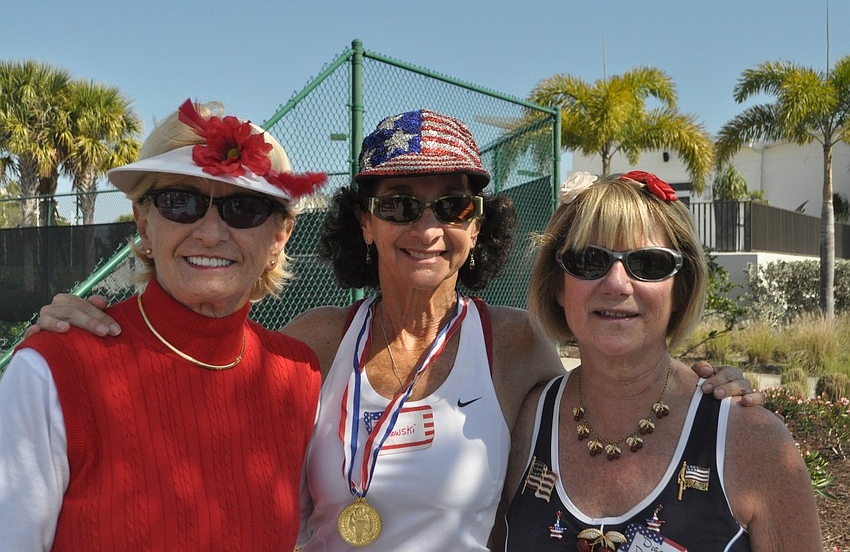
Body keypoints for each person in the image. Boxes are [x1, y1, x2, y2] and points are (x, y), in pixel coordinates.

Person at [28, 111, 759, 551]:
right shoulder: (311, 343)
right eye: (401, 205)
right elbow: (195, 374)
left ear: (480, 226)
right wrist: (87, 324)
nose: (429, 228)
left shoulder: (510, 345)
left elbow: (610, 385)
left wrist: (703, 386)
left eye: (453, 206)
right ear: (364, 221)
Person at [0, 99, 327, 550]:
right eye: (181, 202)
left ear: (280, 235)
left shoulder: (299, 374)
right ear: (144, 222)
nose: (210, 232)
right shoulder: (53, 369)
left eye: (245, 208)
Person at [496, 171, 821, 550]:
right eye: (589, 260)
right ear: (557, 285)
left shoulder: (752, 441)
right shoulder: (523, 423)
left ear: (680, 289)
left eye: (648, 264)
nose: (617, 284)